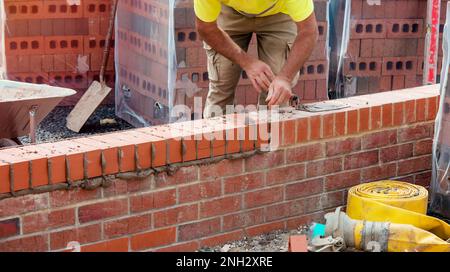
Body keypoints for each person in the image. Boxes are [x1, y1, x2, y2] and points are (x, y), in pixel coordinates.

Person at [194, 0, 318, 118]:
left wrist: (285, 78)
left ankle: (270, 138)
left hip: (278, 14)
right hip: (230, 12)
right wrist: (247, 62)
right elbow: (206, 28)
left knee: (277, 95)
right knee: (221, 88)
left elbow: (308, 30)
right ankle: (217, 138)